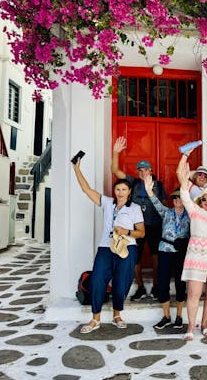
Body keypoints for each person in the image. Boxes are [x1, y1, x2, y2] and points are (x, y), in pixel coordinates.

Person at [71, 156, 145, 334]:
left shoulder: (134, 208)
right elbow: (86, 189)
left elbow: (141, 232)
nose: (120, 192)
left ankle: (117, 315)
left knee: (121, 283)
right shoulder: (107, 202)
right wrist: (76, 168)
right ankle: (95, 319)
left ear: (129, 192)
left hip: (127, 248)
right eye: (118, 189)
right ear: (115, 191)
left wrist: (125, 231)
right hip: (106, 247)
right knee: (97, 280)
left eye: (124, 189)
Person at [177, 154, 207, 341]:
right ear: (200, 201)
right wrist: (183, 175)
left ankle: (204, 324)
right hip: (196, 256)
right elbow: (184, 195)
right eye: (204, 199)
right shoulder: (194, 211)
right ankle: (190, 326)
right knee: (194, 293)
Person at [111, 136, 166, 301]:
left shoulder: (159, 185)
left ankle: (156, 286)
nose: (143, 173)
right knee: (135, 256)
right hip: (136, 226)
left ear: (150, 171)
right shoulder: (133, 182)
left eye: (146, 170)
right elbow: (115, 170)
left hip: (155, 225)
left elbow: (163, 206)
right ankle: (140, 287)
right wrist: (116, 152)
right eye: (140, 170)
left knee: (156, 255)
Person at [144, 180, 190, 330]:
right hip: (165, 250)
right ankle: (166, 316)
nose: (177, 200)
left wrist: (185, 242)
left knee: (180, 283)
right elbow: (155, 202)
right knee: (163, 283)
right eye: (174, 198)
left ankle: (179, 316)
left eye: (179, 197)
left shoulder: (190, 215)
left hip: (180, 253)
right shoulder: (166, 212)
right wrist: (149, 190)